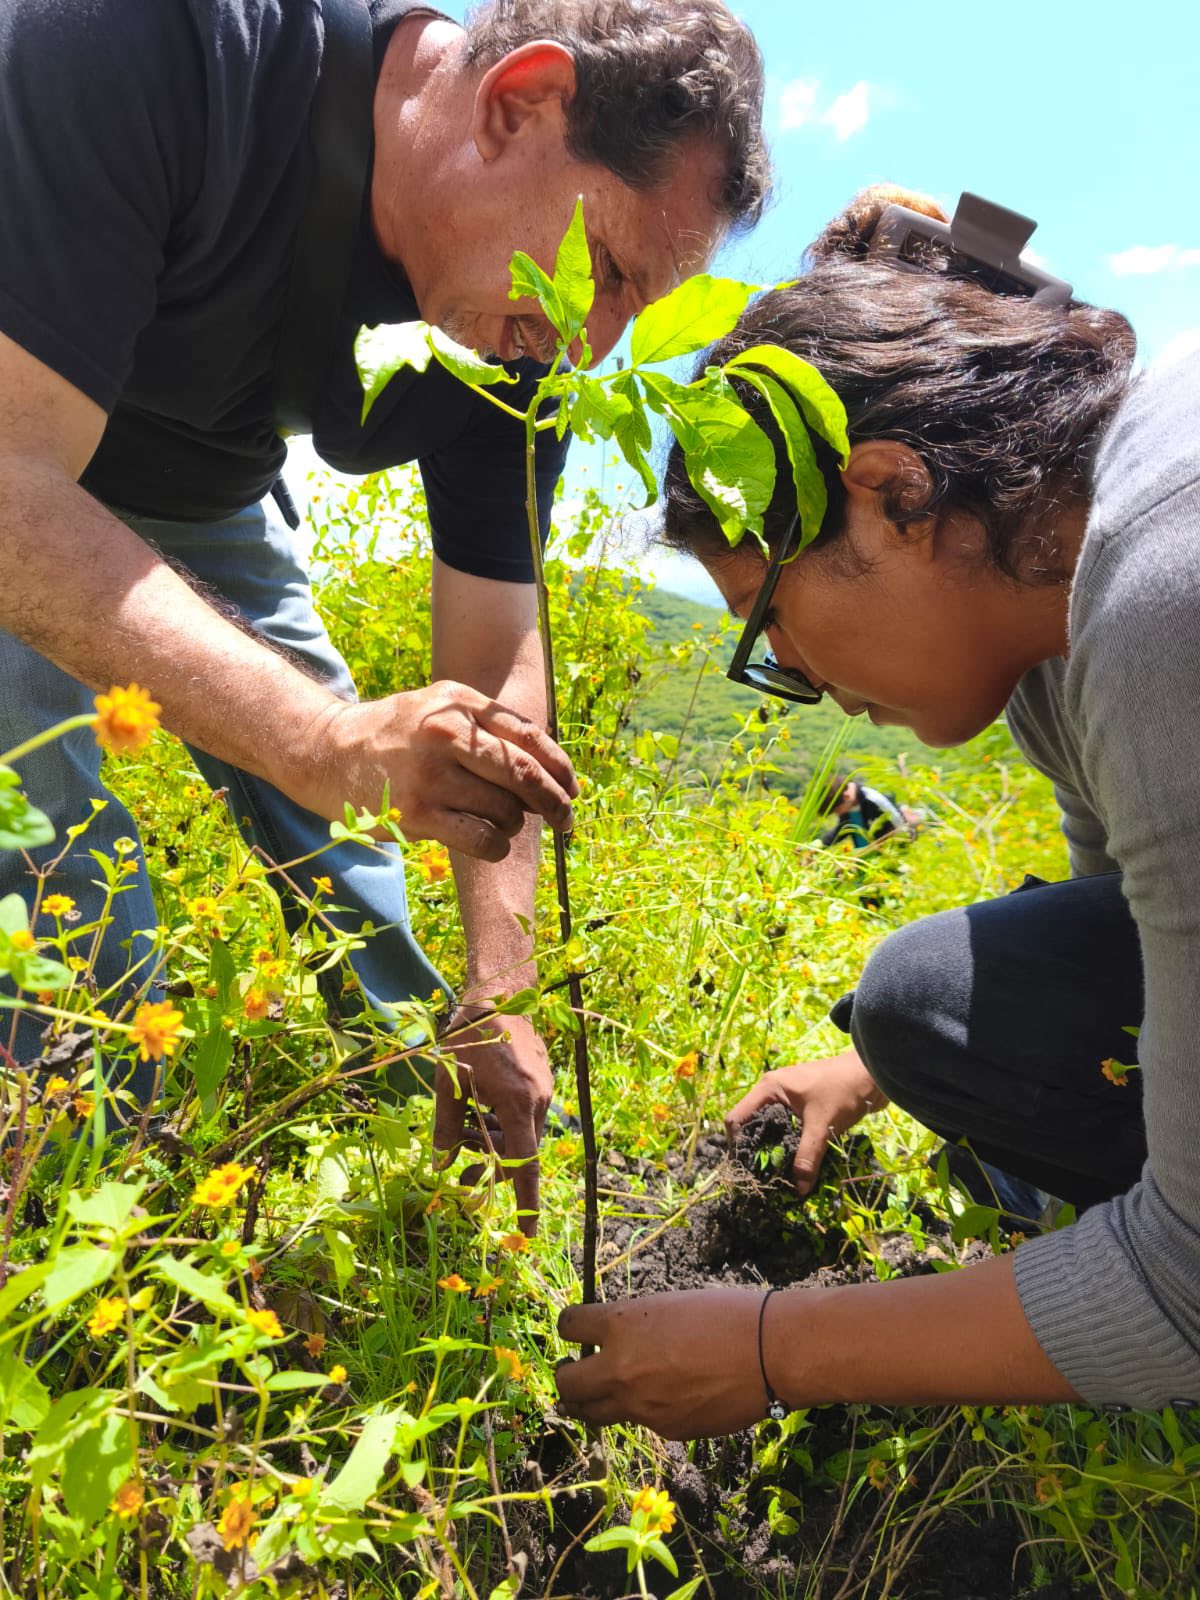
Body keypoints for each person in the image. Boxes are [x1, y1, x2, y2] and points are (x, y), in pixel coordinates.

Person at [0, 0, 768, 1227]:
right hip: (17, 446)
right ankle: (84, 1230)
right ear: (517, 101)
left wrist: (500, 982)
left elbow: (494, 652)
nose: (594, 344)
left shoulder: (521, 349)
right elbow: (9, 491)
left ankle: (415, 1179)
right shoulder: (161, 45)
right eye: (612, 270)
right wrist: (314, 741)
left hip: (204, 490)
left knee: (365, 876)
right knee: (59, 871)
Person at [555, 185, 1200, 1430]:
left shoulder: (1166, 598)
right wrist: (874, 1066)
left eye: (775, 627)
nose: (805, 686)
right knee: (931, 1013)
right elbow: (1119, 952)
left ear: (895, 494)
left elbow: (1194, 1279)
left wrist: (771, 1345)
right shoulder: (1053, 635)